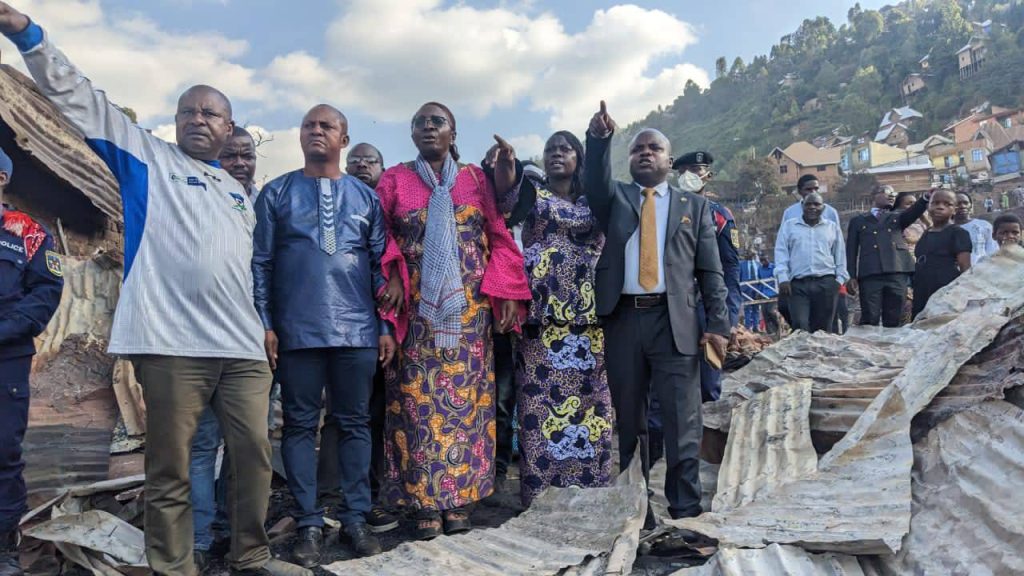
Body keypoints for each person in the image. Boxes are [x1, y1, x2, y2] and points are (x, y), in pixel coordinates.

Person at [0, 7, 309, 575]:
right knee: (170, 466)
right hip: (171, 347)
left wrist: (268, 327)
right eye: (189, 110)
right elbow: (80, 97)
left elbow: (252, 270)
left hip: (241, 350)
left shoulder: (240, 194)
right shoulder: (146, 158)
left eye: (212, 113)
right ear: (175, 119)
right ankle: (175, 567)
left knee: (254, 457)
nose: (199, 119)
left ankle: (252, 555)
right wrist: (27, 34)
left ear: (229, 126)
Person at [376, 102, 531, 540]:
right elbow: (380, 235)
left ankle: (460, 500)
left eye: (436, 121)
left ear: (453, 132)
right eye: (419, 121)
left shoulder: (474, 180)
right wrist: (392, 274)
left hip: (468, 319)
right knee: (418, 406)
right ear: (411, 134)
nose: (428, 127)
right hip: (418, 316)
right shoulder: (395, 179)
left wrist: (503, 294)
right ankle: (426, 503)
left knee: (468, 410)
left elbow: (497, 234)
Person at [253, 106, 396, 565]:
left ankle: (355, 519)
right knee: (298, 426)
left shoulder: (365, 198)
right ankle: (309, 523)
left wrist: (385, 326)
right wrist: (265, 322)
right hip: (297, 332)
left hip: (356, 331)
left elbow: (381, 266)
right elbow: (262, 264)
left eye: (326, 126)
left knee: (354, 424)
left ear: (344, 138)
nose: (316, 131)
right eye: (308, 125)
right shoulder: (276, 193)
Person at [584, 101, 730, 529]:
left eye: (653, 148)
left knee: (683, 421)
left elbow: (710, 270)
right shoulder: (616, 199)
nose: (645, 153)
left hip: (676, 324)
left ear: (669, 159)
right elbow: (594, 181)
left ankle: (685, 512)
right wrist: (598, 140)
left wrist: (718, 326)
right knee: (630, 421)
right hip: (623, 320)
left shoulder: (695, 207)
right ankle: (637, 511)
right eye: (636, 149)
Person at [493, 131, 613, 507]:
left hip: (589, 321)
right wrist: (508, 166)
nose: (557, 154)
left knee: (591, 408)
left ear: (579, 158)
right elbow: (507, 196)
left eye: (565, 149)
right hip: (541, 323)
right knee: (538, 409)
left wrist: (601, 140)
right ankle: (540, 497)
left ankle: (590, 494)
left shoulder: (596, 200)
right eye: (550, 150)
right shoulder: (531, 193)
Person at [189, 126, 262, 570]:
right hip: (201, 340)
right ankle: (200, 538)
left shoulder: (267, 205)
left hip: (254, 344)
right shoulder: (197, 198)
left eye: (246, 155)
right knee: (201, 446)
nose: (238, 163)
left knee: (246, 447)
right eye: (229, 155)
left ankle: (238, 541)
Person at [0, 147, 63, 576]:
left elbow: (44, 296)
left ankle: (4, 543)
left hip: (7, 359)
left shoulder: (30, 233)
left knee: (3, 451)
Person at [671, 151, 740, 401]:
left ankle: (707, 438)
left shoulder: (720, 216)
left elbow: (731, 271)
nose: (689, 176)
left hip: (707, 308)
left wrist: (728, 319)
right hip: (671, 306)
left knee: (709, 385)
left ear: (707, 175)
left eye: (695, 170)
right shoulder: (665, 211)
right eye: (683, 171)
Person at [846, 186, 928, 328]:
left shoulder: (897, 217)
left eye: (894, 194)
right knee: (870, 319)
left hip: (897, 272)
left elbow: (914, 211)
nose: (891, 196)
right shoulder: (859, 220)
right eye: (887, 192)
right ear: (873, 196)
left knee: (894, 318)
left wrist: (925, 199)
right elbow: (851, 250)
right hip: (870, 274)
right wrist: (851, 275)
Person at [774, 192, 848, 333]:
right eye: (808, 204)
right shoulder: (789, 226)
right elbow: (781, 252)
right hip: (798, 285)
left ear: (823, 207)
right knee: (800, 325)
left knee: (823, 329)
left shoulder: (832, 227)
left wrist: (838, 281)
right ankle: (803, 355)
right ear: (802, 206)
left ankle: (821, 355)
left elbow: (840, 256)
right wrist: (783, 278)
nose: (812, 207)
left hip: (826, 283)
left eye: (816, 204)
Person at [912, 189, 972, 318]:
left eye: (947, 204)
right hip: (922, 287)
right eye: (935, 203)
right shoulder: (927, 232)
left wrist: (962, 295)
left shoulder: (958, 233)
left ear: (954, 210)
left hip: (944, 288)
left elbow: (965, 267)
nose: (940, 207)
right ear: (928, 207)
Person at [953, 193, 998, 265]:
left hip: (982, 272)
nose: (962, 206)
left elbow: (992, 250)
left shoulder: (984, 225)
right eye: (958, 204)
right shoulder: (947, 230)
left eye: (965, 203)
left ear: (970, 205)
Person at [756, 255, 779, 334]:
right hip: (763, 293)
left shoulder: (774, 267)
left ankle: (777, 327)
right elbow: (759, 281)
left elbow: (778, 279)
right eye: (762, 261)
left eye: (765, 260)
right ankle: (770, 332)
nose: (764, 262)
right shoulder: (760, 269)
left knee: (771, 311)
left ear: (768, 259)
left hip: (773, 293)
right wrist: (758, 292)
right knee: (765, 313)